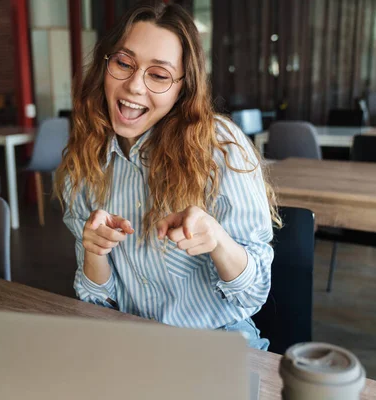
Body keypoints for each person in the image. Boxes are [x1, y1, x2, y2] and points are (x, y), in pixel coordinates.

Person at [55, 1, 280, 350]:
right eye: (124, 63)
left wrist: (218, 239)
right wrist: (94, 252)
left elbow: (252, 293)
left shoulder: (219, 146)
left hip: (216, 347)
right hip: (132, 347)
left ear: (182, 88)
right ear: (106, 64)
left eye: (158, 75)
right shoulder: (84, 161)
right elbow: (97, 302)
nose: (134, 86)